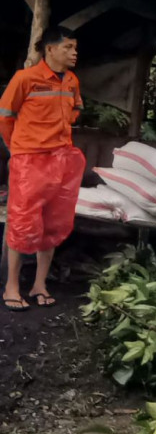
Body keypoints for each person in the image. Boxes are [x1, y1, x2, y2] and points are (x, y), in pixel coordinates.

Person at [1, 27, 86, 312]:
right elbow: (5, 116)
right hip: (29, 161)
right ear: (50, 49)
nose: (74, 52)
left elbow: (74, 110)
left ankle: (39, 284)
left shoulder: (72, 81)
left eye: (75, 47)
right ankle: (12, 286)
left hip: (61, 160)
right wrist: (19, 148)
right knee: (22, 223)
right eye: (69, 47)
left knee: (53, 223)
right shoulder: (25, 79)